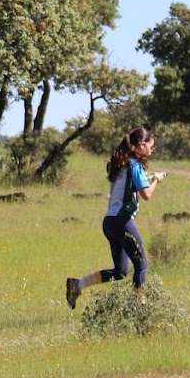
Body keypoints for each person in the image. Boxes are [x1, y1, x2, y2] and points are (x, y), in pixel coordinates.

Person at [66, 127, 165, 309]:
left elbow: (130, 183)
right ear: (141, 146)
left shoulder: (122, 164)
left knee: (121, 271)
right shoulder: (135, 165)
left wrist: (149, 176)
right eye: (150, 147)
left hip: (109, 222)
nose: (151, 151)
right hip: (122, 221)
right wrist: (157, 180)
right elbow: (146, 195)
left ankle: (77, 285)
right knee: (142, 263)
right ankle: (139, 309)